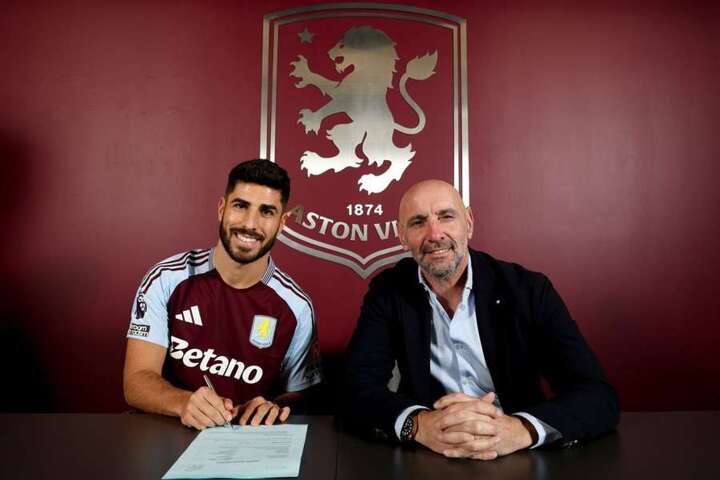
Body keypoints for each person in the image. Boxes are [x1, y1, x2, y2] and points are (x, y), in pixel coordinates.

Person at [343, 179, 619, 460]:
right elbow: (355, 389)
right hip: (431, 454)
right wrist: (419, 425)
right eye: (418, 222)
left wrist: (521, 429)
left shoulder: (529, 290)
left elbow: (597, 395)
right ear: (402, 236)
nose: (434, 234)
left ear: (469, 223)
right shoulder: (389, 291)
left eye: (446, 217)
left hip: (519, 455)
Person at [124, 159, 321, 430]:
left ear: (282, 223)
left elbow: (304, 396)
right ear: (221, 208)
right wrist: (183, 402)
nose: (250, 223)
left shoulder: (297, 307)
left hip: (247, 442)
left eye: (266, 211)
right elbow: (136, 381)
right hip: (168, 434)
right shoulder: (166, 279)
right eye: (240, 206)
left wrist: (273, 406)